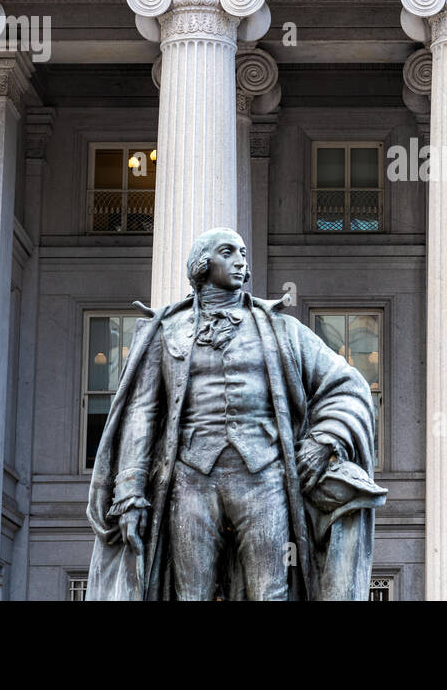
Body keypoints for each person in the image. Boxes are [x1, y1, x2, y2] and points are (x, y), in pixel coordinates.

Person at [85, 226, 385, 600]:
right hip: (190, 480)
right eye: (228, 252)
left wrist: (324, 440)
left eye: (244, 253)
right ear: (202, 264)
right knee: (189, 593)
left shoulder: (282, 329)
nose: (241, 261)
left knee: (270, 592)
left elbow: (347, 383)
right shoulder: (167, 332)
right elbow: (142, 413)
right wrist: (130, 491)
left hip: (264, 477)